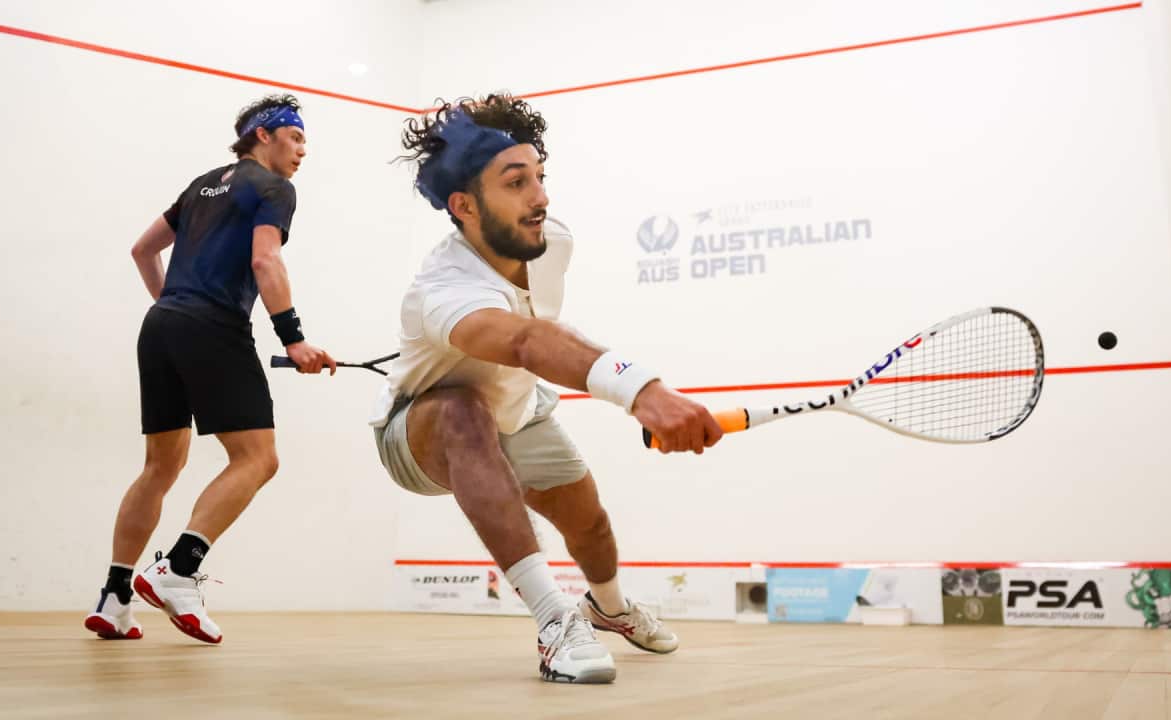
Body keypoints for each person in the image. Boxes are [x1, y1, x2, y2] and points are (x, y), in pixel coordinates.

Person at [370, 93, 723, 683]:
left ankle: (609, 608)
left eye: (539, 176)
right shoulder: (442, 290)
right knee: (461, 412)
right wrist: (642, 391)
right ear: (464, 205)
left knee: (590, 524)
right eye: (516, 183)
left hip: (519, 411)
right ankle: (556, 620)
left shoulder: (552, 241)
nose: (541, 197)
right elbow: (525, 341)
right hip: (419, 435)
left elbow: (545, 330)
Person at [83, 94, 336, 644]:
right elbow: (265, 258)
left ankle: (115, 597)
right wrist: (294, 339)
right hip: (214, 327)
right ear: (264, 135)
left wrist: (172, 307)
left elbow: (142, 251)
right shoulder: (274, 188)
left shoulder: (201, 185)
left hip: (160, 328)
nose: (302, 151)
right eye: (295, 138)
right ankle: (179, 569)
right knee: (258, 458)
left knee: (160, 467)